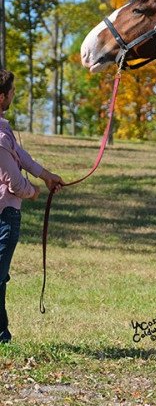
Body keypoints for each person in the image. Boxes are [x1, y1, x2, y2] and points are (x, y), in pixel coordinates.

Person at [0, 69, 64, 343]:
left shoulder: (4, 131)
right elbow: (13, 182)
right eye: (12, 92)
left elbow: (20, 156)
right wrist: (32, 191)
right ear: (2, 96)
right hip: (5, 215)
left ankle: (2, 334)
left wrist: (45, 174)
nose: (14, 95)